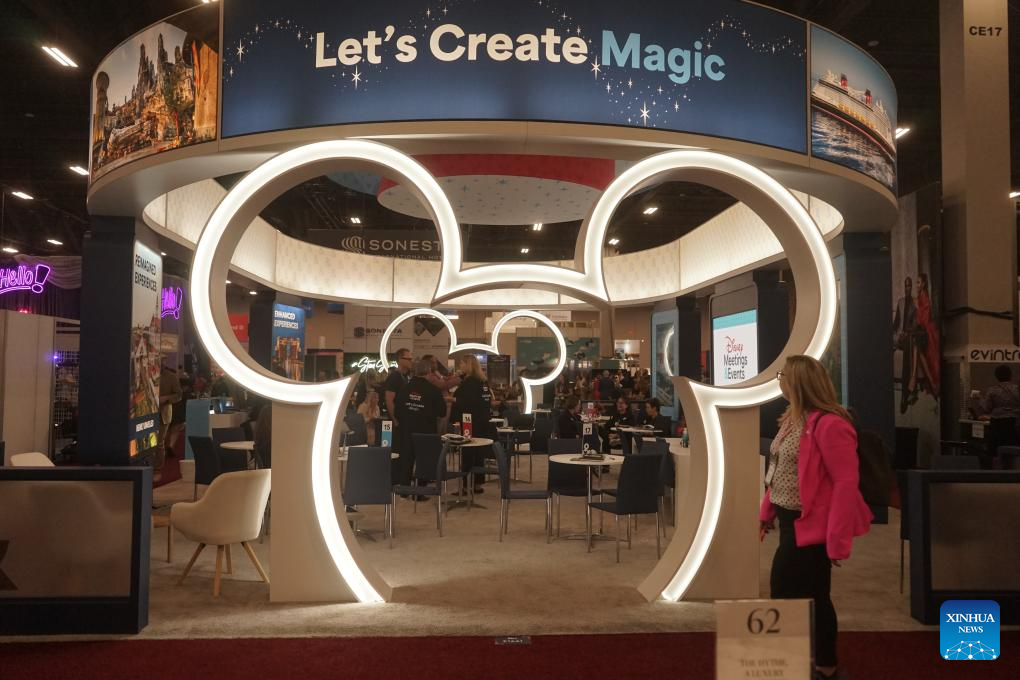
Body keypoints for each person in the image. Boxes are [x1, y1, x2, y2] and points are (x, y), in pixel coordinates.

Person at [759, 355, 872, 680]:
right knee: (812, 595)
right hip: (789, 523)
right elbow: (779, 471)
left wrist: (837, 540)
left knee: (792, 591)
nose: (780, 380)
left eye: (783, 375)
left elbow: (845, 483)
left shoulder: (831, 424)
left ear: (798, 382)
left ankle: (813, 666)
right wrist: (766, 512)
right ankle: (821, 665)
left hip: (810, 527)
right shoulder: (792, 420)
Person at [395, 360, 447, 487]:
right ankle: (421, 490)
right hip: (426, 431)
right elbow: (442, 412)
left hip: (407, 430)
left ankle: (404, 488)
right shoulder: (434, 390)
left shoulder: (404, 389)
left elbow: (397, 412)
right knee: (423, 460)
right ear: (429, 372)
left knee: (407, 459)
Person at [453, 355, 496, 493]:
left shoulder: (469, 383)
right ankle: (478, 484)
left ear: (469, 365)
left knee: (468, 452)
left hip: (469, 423)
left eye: (462, 363)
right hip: (483, 421)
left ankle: (466, 486)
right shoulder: (483, 382)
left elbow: (464, 401)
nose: (460, 366)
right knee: (479, 453)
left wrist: (452, 399)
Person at [975, 364, 1020, 466]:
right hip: (1014, 423)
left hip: (998, 424)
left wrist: (979, 398)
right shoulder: (1017, 389)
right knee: (1013, 449)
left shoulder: (992, 390)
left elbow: (986, 408)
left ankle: (996, 470)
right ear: (1010, 375)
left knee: (995, 450)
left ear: (997, 376)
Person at [892, 276, 918, 414]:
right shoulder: (901, 302)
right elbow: (896, 322)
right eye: (906, 286)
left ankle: (905, 395)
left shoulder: (915, 303)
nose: (907, 288)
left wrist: (906, 333)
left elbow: (915, 323)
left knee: (908, 348)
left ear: (911, 287)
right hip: (899, 336)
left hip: (908, 337)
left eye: (909, 286)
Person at [156, 363, 183, 476]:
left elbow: (179, 395)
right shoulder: (149, 374)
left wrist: (166, 398)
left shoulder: (171, 376)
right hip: (148, 413)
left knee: (159, 442)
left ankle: (157, 469)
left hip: (163, 413)